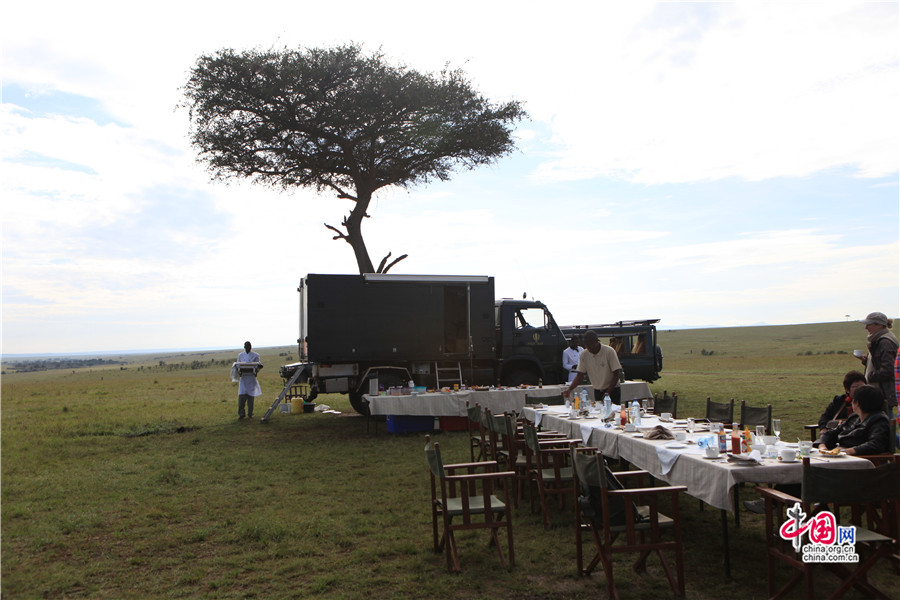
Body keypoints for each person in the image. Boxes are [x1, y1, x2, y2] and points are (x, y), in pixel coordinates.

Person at [815, 384, 891, 456]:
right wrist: (822, 446)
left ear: (857, 403)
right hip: (841, 455)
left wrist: (848, 451)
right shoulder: (854, 418)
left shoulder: (879, 420)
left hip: (859, 461)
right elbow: (830, 433)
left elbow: (876, 444)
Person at [563, 330, 623, 404]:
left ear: (596, 341)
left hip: (612, 390)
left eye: (590, 345)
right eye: (586, 345)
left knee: (613, 413)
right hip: (598, 390)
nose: (589, 348)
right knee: (599, 413)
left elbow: (616, 374)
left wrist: (608, 393)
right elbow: (579, 376)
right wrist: (569, 389)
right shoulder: (584, 354)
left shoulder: (609, 351)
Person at [857, 311, 898, 415]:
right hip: (881, 392)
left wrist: (870, 377)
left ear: (879, 325)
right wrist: (866, 361)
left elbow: (888, 370)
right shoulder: (880, 339)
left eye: (869, 324)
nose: (866, 327)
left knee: (885, 426)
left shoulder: (885, 342)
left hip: (883, 393)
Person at [236, 341, 263, 419]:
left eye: (249, 346)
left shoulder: (255, 355)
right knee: (241, 397)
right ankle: (241, 414)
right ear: (244, 347)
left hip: (251, 378)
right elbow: (238, 366)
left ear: (251, 347)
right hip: (243, 378)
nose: (248, 348)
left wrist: (255, 369)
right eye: (246, 346)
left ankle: (250, 414)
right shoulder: (240, 355)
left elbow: (259, 365)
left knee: (250, 398)